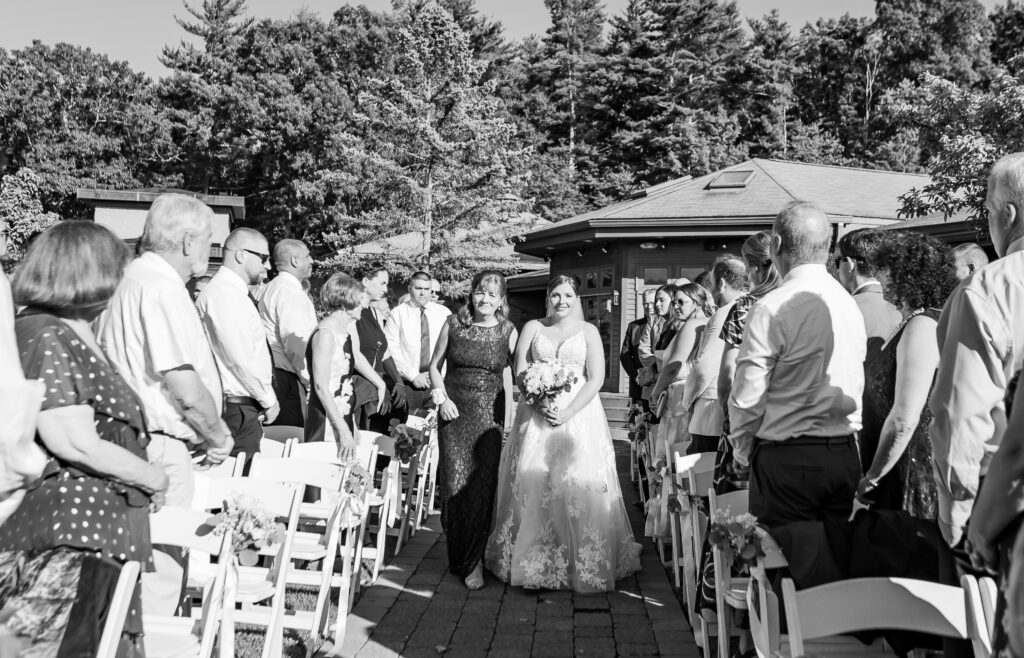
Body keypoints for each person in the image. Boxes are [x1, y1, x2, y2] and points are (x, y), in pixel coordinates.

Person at [2, 221, 170, 656]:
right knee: (60, 647)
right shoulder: (43, 331)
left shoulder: (74, 332)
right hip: (65, 535)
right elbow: (70, 439)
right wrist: (152, 477)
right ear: (91, 273)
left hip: (99, 530)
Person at [97, 193, 232, 617]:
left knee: (129, 566)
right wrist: (217, 435)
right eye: (209, 240)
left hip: (129, 436)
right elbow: (183, 385)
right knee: (161, 567)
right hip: (158, 443)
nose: (209, 251)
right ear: (189, 241)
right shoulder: (162, 287)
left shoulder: (130, 278)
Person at [486, 275, 642, 593]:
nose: (562, 301)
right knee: (535, 481)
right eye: (556, 295)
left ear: (576, 299)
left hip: (579, 416)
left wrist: (569, 412)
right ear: (548, 297)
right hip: (536, 415)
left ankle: (577, 558)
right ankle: (534, 558)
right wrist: (537, 402)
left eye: (568, 295)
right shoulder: (533, 327)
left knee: (576, 481)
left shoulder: (589, 332)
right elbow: (520, 371)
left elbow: (596, 378)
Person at [729, 201, 866, 529]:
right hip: (844, 454)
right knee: (837, 567)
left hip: (789, 460)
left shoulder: (771, 307)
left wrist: (742, 453)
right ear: (827, 246)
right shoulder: (848, 303)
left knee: (786, 567)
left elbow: (748, 397)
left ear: (775, 245)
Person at [941, 154, 1024, 658]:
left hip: (1008, 514)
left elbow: (961, 417)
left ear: (1008, 214)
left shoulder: (990, 288)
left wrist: (965, 527)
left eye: (988, 211)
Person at [857, 231, 958, 518]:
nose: (880, 276)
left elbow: (904, 418)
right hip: (895, 469)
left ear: (909, 274)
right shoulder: (914, 320)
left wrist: (872, 478)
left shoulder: (923, 326)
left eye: (886, 268)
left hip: (908, 475)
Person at [429, 271, 518, 589]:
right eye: (480, 292)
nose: (485, 299)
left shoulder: (508, 330)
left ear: (501, 300)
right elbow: (434, 367)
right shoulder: (453, 324)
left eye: (492, 295)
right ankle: (460, 556)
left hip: (488, 420)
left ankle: (475, 562)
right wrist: (442, 399)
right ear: (472, 294)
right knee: (453, 487)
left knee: (481, 489)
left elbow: (520, 373)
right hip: (454, 416)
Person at [195, 228, 279, 458]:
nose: (269, 266)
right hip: (234, 410)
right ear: (240, 255)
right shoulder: (225, 295)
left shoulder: (231, 293)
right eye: (263, 257)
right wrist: (269, 399)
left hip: (240, 407)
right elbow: (240, 358)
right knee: (238, 487)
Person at [835, 228, 903, 473]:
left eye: (837, 261)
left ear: (850, 263)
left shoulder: (843, 310)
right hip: (898, 429)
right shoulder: (901, 308)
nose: (836, 268)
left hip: (857, 431)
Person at [305, 273, 387, 450]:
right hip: (326, 419)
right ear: (343, 303)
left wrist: (352, 424)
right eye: (358, 299)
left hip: (343, 413)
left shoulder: (343, 332)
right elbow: (321, 386)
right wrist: (342, 429)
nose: (362, 305)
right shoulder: (325, 334)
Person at [681, 257, 748, 454]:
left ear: (722, 283)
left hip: (711, 411)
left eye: (710, 284)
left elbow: (704, 367)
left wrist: (686, 401)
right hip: (740, 409)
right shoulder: (754, 306)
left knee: (701, 479)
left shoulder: (726, 313)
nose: (709, 291)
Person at [258, 239, 317, 428]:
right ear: (294, 260)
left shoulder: (272, 287)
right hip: (285, 378)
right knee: (289, 441)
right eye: (308, 256)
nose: (312, 261)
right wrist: (311, 383)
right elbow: (296, 345)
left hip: (273, 374)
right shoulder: (291, 293)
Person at [651, 283, 717, 448]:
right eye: (674, 302)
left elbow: (674, 366)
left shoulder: (692, 325)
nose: (675, 306)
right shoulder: (711, 323)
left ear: (697, 302)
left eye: (681, 302)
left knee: (674, 454)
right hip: (695, 397)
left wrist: (655, 392)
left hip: (679, 401)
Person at [385, 271, 452, 412]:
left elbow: (451, 346)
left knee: (435, 428)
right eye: (418, 288)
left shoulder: (444, 313)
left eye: (427, 289)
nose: (423, 293)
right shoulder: (397, 313)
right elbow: (391, 349)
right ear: (409, 289)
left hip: (439, 382)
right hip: (409, 383)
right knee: (406, 429)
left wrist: (441, 376)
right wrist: (413, 375)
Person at [352, 264, 408, 433]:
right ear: (365, 281)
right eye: (382, 283)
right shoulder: (351, 311)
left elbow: (385, 353)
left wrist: (398, 382)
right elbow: (355, 355)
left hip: (377, 386)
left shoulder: (375, 313)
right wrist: (380, 385)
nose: (386, 288)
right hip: (359, 386)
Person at [636, 284, 675, 409]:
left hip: (673, 384)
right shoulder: (653, 321)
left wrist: (660, 370)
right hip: (652, 384)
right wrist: (654, 368)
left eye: (661, 300)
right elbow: (643, 349)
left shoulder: (682, 324)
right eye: (656, 301)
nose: (657, 304)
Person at [620, 289, 657, 405]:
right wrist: (637, 376)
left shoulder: (667, 326)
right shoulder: (634, 326)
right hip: (638, 385)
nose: (648, 306)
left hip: (659, 383)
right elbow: (625, 355)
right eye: (645, 303)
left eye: (652, 303)